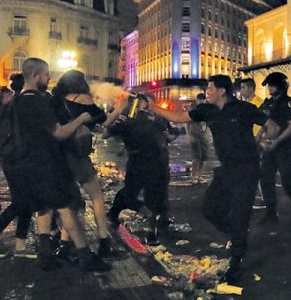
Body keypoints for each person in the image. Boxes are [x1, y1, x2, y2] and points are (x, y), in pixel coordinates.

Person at [0, 58, 111, 272]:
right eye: (46, 74)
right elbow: (59, 133)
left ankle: (45, 255)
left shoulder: (14, 102)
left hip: (16, 165)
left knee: (44, 206)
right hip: (41, 165)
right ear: (36, 76)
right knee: (65, 208)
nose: (49, 78)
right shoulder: (38, 102)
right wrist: (80, 120)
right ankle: (86, 257)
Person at [149, 74, 279, 284]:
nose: (207, 91)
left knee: (240, 213)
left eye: (210, 88)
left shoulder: (243, 108)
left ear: (221, 90)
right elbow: (178, 117)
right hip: (226, 169)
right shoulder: (207, 110)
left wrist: (265, 140)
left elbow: (272, 126)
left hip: (247, 169)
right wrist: (153, 107)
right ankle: (237, 234)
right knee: (209, 208)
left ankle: (236, 260)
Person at [50, 69, 127, 260]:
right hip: (77, 156)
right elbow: (105, 123)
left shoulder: (55, 100)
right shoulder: (83, 99)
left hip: (57, 156)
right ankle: (103, 240)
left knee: (70, 202)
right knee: (97, 196)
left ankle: (64, 243)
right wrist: (119, 108)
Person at [104, 94, 173, 243]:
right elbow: (168, 138)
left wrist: (118, 111)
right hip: (158, 163)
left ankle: (148, 216)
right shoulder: (156, 122)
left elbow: (104, 131)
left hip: (137, 163)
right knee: (155, 196)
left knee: (129, 194)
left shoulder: (126, 123)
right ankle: (155, 228)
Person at [257, 72, 291, 226]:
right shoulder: (268, 103)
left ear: (281, 86)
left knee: (287, 180)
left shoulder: (289, 103)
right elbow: (264, 124)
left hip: (285, 147)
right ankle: (271, 213)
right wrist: (257, 139)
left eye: (272, 85)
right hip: (269, 148)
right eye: (268, 85)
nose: (269, 88)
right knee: (266, 179)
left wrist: (276, 142)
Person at [240, 78, 266, 209]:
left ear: (251, 88)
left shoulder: (259, 103)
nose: (241, 90)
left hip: (257, 140)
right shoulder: (244, 104)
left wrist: (259, 135)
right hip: (248, 140)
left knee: (257, 169)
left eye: (244, 87)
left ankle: (264, 197)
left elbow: (266, 121)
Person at [185, 93, 209, 184]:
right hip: (194, 135)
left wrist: (206, 132)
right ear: (197, 100)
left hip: (203, 136)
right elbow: (187, 123)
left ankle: (199, 175)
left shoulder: (206, 109)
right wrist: (189, 136)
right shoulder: (193, 109)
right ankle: (194, 175)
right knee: (196, 156)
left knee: (203, 157)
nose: (202, 101)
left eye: (204, 99)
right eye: (201, 100)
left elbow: (207, 123)